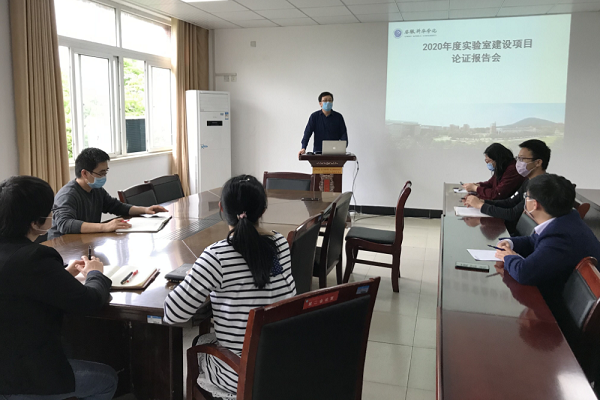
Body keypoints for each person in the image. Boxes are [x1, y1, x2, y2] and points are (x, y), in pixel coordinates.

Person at [163, 175, 296, 399]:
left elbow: (173, 314)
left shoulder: (217, 256)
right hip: (284, 363)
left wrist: (194, 277)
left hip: (241, 375)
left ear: (221, 209)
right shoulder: (280, 243)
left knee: (200, 343)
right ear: (263, 210)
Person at [0, 176, 117, 400]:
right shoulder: (35, 257)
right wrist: (95, 273)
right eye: (50, 211)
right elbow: (89, 302)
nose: (53, 214)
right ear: (35, 223)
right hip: (23, 377)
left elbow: (16, 285)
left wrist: (61, 275)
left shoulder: (20, 257)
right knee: (107, 380)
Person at [493, 174, 600, 312]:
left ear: (534, 204)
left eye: (526, 196)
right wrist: (509, 243)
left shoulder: (559, 236)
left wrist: (508, 256)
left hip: (560, 312)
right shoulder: (566, 220)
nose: (525, 199)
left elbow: (524, 273)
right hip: (559, 293)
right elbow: (533, 241)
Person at [49, 147, 167, 239]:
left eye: (106, 172)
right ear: (85, 173)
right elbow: (65, 224)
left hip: (86, 241)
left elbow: (116, 206)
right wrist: (105, 226)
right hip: (63, 247)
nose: (104, 176)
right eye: (101, 173)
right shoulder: (67, 195)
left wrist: (145, 210)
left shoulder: (96, 190)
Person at [464, 139, 551, 234]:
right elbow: (509, 202)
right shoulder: (528, 181)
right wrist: (483, 201)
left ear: (538, 162)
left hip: (518, 234)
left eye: (522, 159)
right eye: (518, 158)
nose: (518, 163)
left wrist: (481, 206)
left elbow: (512, 214)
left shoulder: (542, 187)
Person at [462, 143, 526, 200]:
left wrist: (475, 188)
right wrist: (477, 186)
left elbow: (497, 194)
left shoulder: (512, 170)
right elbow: (490, 184)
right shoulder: (501, 167)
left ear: (497, 160)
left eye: (489, 161)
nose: (487, 163)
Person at [298, 91, 348, 157]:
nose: (328, 102)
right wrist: (303, 147)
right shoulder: (314, 116)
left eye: (330, 100)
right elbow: (307, 132)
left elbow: (343, 133)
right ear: (320, 103)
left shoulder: (338, 117)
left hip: (335, 152)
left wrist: (343, 147)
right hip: (318, 152)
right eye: (325, 100)